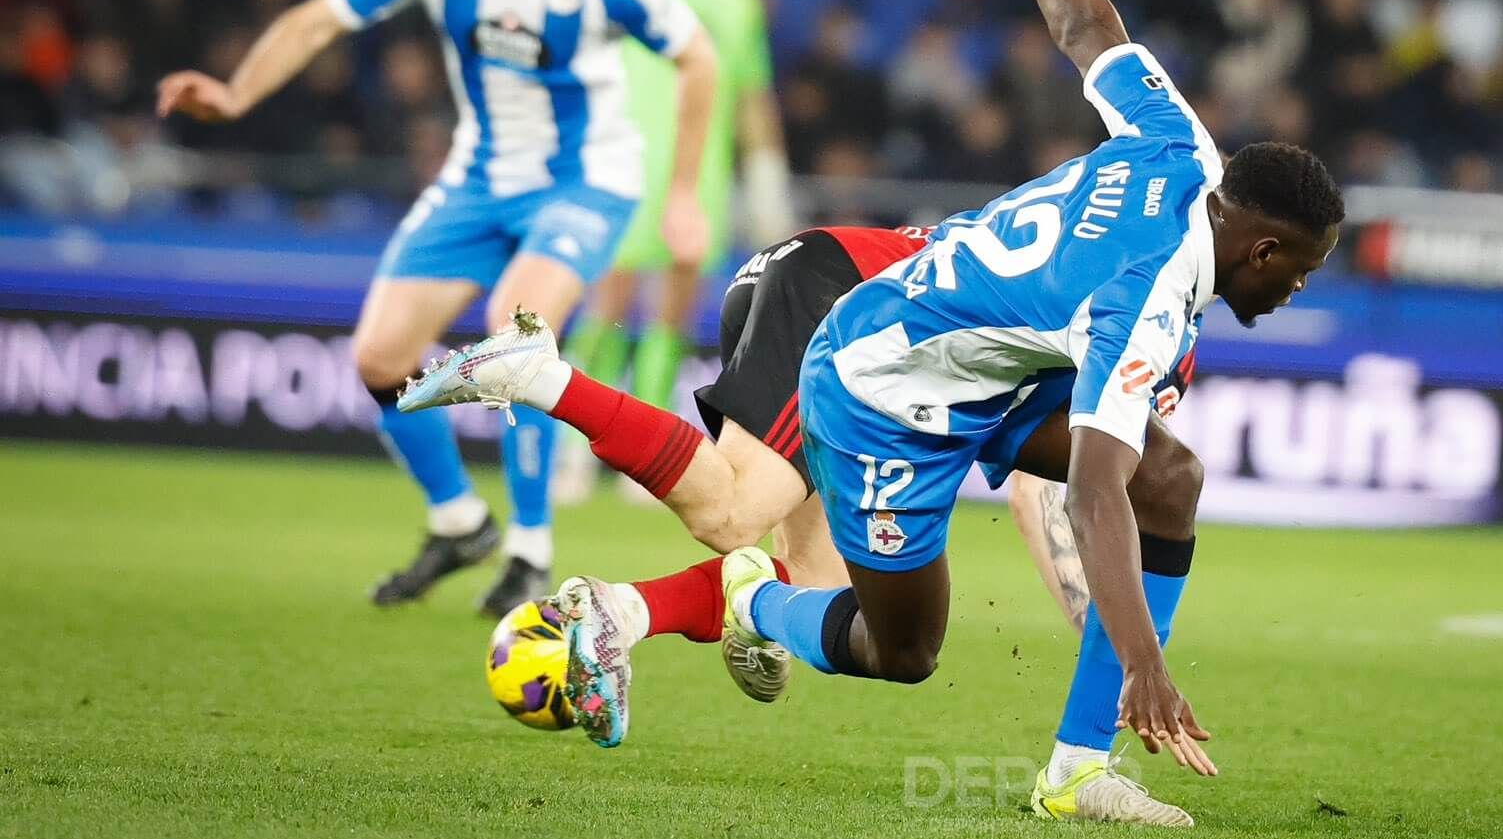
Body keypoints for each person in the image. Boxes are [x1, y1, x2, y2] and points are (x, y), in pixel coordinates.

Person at [697, 0, 1343, 826]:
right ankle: (752, 597)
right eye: (1298, 272)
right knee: (902, 650)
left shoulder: (1181, 141)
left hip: (988, 365)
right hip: (879, 388)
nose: (1294, 290)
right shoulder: (1144, 294)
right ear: (1259, 250)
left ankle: (1076, 772)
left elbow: (1087, 27)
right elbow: (1090, 497)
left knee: (1168, 475)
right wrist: (1145, 664)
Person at [155, 0, 716, 616]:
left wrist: (683, 197)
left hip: (585, 180)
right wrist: (237, 94)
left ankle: (531, 547)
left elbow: (697, 58)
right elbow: (318, 20)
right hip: (478, 178)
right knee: (380, 357)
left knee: (516, 323)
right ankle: (459, 522)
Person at [395, 218, 1198, 727]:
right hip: (843, 303)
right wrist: (1125, 651)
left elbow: (1043, 486)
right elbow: (1057, 492)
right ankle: (541, 376)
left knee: (816, 583)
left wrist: (1117, 646)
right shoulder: (1154, 325)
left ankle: (620, 614)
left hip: (824, 279)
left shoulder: (1116, 245)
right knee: (736, 513)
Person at [560, 0, 795, 457]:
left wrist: (767, 176)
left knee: (672, 313)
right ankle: (570, 444)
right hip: (622, 171)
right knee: (608, 305)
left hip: (700, 179)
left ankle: (644, 450)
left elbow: (751, 94)